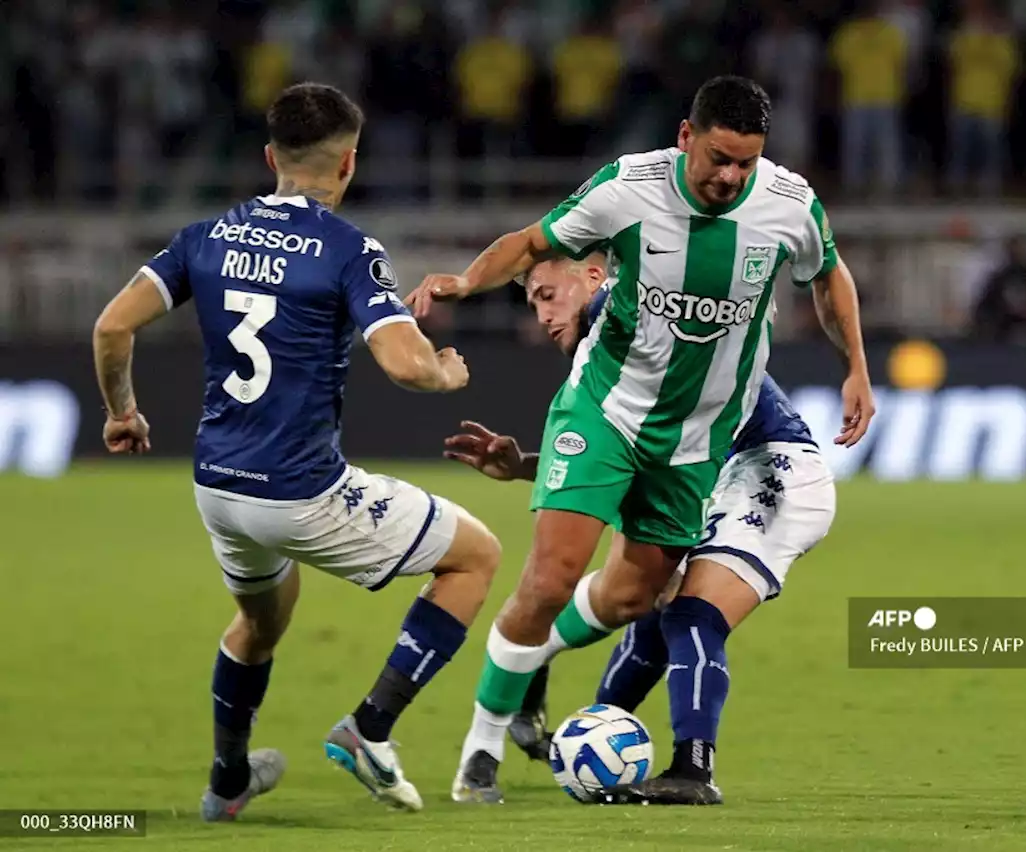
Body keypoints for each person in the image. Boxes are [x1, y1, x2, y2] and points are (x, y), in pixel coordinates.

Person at [404, 75, 874, 804]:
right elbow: (534, 241)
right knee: (553, 576)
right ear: (686, 137)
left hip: (697, 445)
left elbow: (829, 275)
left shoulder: (789, 204)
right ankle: (481, 750)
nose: (730, 176)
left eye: (745, 163)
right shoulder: (629, 188)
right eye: (718, 157)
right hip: (606, 411)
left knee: (632, 598)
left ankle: (539, 677)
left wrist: (857, 370)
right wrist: (467, 283)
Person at [90, 83, 502, 820]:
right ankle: (370, 729)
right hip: (299, 492)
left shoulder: (204, 237)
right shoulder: (348, 250)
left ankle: (226, 782)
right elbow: (407, 366)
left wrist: (124, 413)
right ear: (348, 163)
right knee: (476, 556)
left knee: (261, 620)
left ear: (269, 156)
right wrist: (445, 371)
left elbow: (111, 329)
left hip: (218, 485)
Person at [443, 251, 837, 804]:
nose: (543, 316)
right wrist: (530, 466)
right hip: (716, 471)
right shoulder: (609, 341)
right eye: (532, 305)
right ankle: (587, 720)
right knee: (643, 601)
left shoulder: (632, 318)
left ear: (595, 277)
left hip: (772, 473)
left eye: (548, 295)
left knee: (691, 615)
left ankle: (693, 772)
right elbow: (639, 445)